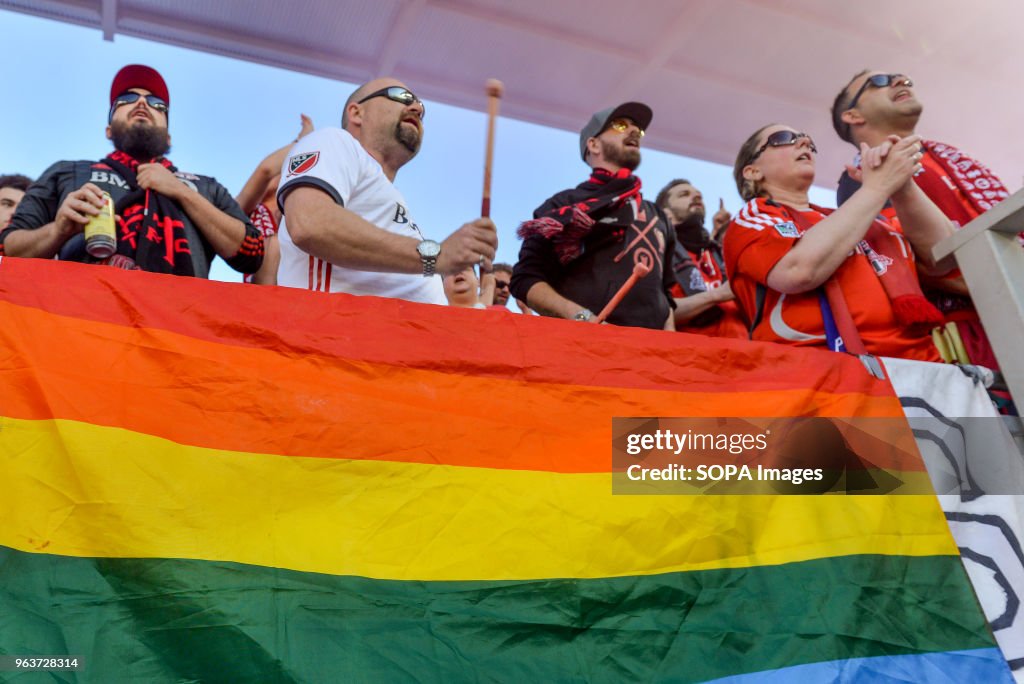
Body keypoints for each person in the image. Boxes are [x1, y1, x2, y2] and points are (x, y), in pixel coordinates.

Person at [0, 65, 262, 277]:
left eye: (156, 103)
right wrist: (58, 230)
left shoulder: (205, 187)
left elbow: (252, 252)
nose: (141, 103)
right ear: (109, 130)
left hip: (176, 330)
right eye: (126, 99)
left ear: (169, 137)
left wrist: (181, 192)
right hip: (83, 325)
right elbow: (7, 248)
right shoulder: (68, 172)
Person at [724, 124, 955, 362]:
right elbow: (797, 272)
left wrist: (901, 185)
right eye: (783, 138)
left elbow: (944, 258)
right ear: (752, 171)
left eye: (808, 140)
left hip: (925, 368)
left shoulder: (858, 219)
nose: (804, 143)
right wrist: (878, 187)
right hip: (826, 376)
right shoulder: (753, 217)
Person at [830, 70, 1011, 368]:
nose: (901, 81)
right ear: (853, 115)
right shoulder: (863, 179)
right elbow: (913, 260)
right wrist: (1003, 284)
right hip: (977, 334)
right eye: (879, 82)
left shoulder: (945, 158)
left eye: (901, 77)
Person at [275, 77, 497, 303]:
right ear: (357, 113)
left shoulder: (393, 198)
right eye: (401, 96)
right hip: (335, 331)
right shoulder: (333, 141)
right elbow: (310, 222)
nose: (417, 108)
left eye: (421, 106)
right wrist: (435, 255)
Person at [510, 103, 679, 330]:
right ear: (593, 144)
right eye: (620, 125)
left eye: (638, 130)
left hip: (653, 355)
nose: (633, 132)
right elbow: (525, 278)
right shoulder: (563, 205)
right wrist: (582, 318)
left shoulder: (657, 214)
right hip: (583, 349)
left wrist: (670, 340)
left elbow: (665, 293)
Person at [656, 179, 746, 338]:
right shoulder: (658, 252)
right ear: (666, 213)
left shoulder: (717, 252)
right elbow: (656, 311)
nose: (696, 198)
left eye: (699, 196)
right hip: (696, 357)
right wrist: (717, 295)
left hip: (746, 354)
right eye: (684, 195)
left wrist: (720, 232)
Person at [236, 114, 315, 285]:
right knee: (274, 246)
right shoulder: (248, 211)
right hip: (258, 294)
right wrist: (303, 141)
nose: (280, 174)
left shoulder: (294, 220)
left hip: (291, 294)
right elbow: (266, 170)